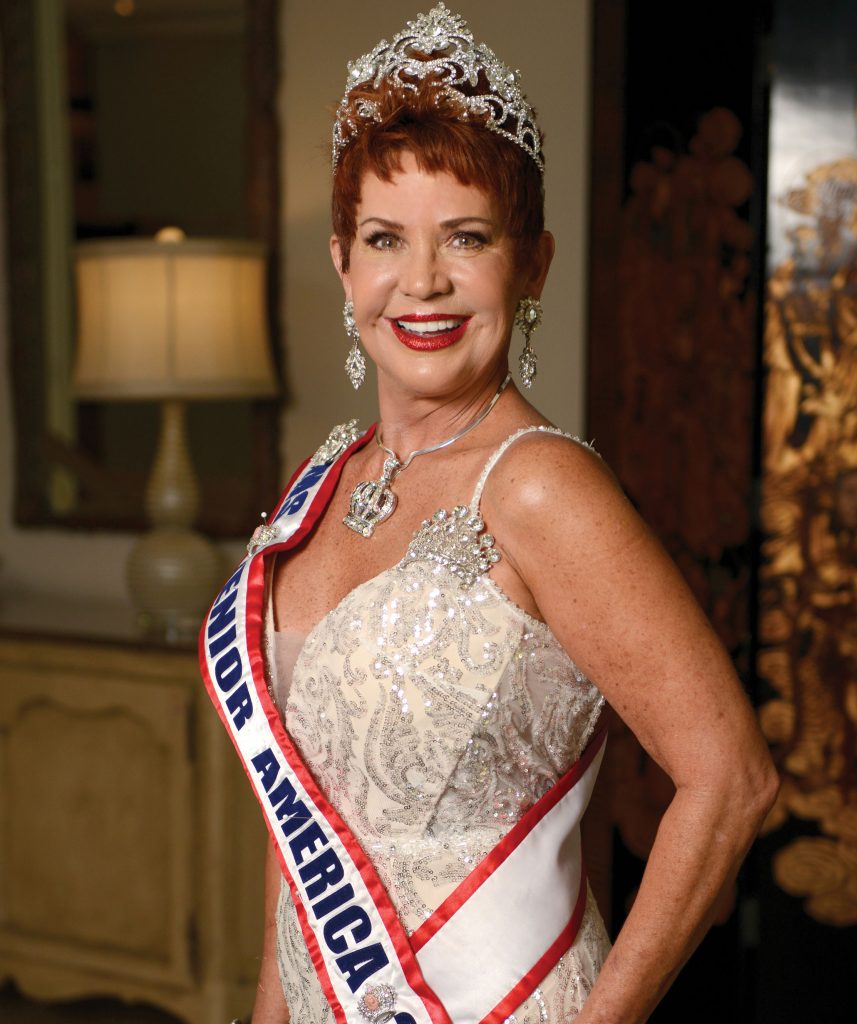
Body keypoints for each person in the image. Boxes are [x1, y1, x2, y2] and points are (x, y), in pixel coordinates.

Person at [201, 6, 778, 1023]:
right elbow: (299, 810)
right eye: (385, 239)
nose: (421, 282)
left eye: (465, 238)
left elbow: (729, 780)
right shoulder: (324, 479)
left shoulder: (538, 485)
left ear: (533, 262)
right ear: (343, 265)